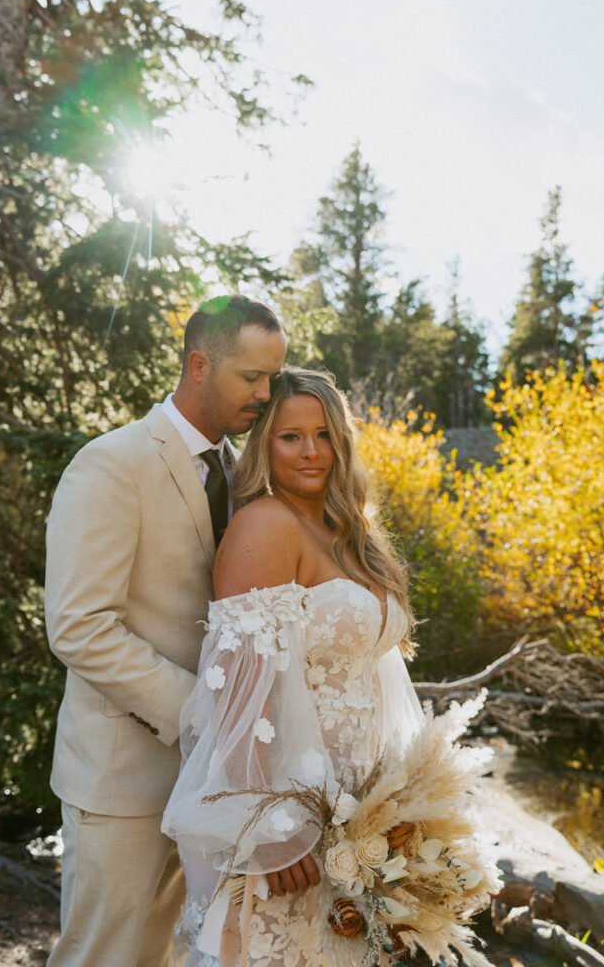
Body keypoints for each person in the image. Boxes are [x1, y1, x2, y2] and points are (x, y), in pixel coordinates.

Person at [44, 295, 287, 967]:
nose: (266, 395)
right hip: (122, 777)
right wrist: (203, 713)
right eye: (251, 378)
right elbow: (78, 626)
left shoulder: (243, 475)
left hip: (213, 785)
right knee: (103, 956)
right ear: (198, 365)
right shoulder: (111, 463)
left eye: (273, 378)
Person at [162, 368, 425, 967]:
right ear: (263, 445)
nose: (311, 451)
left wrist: (402, 803)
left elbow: (378, 675)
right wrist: (268, 829)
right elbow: (235, 691)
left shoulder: (349, 532)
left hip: (353, 815)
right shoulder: (266, 524)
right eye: (290, 437)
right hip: (286, 813)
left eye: (324, 434)